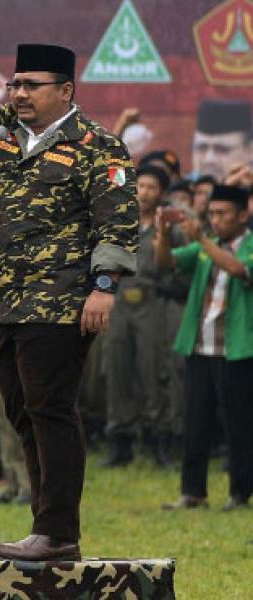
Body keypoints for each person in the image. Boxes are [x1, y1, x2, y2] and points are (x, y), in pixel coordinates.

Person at [0, 19, 138, 560]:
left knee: (51, 409)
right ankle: (45, 526)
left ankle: (58, 532)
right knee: (22, 412)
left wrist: (105, 287)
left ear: (65, 90)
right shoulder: (4, 135)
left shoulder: (97, 146)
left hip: (62, 302)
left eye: (31, 85)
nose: (18, 94)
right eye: (15, 85)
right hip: (9, 301)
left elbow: (116, 222)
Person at [157, 185, 253, 512]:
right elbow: (167, 262)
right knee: (195, 420)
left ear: (243, 214)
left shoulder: (245, 245)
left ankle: (240, 494)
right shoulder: (205, 247)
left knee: (238, 423)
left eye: (222, 214)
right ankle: (192, 492)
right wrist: (163, 231)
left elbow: (239, 270)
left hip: (236, 349)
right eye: (212, 214)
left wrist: (202, 239)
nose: (216, 219)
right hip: (199, 346)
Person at [102, 166, 185, 468]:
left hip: (152, 299)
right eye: (141, 186)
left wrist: (162, 236)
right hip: (119, 298)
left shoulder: (170, 226)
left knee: (155, 369)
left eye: (151, 187)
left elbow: (168, 266)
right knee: (117, 367)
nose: (145, 192)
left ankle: (159, 439)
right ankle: (120, 441)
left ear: (162, 192)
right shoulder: (120, 222)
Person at [192, 99, 251, 182]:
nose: (209, 159)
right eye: (201, 148)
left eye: (222, 149)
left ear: (250, 151)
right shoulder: (183, 191)